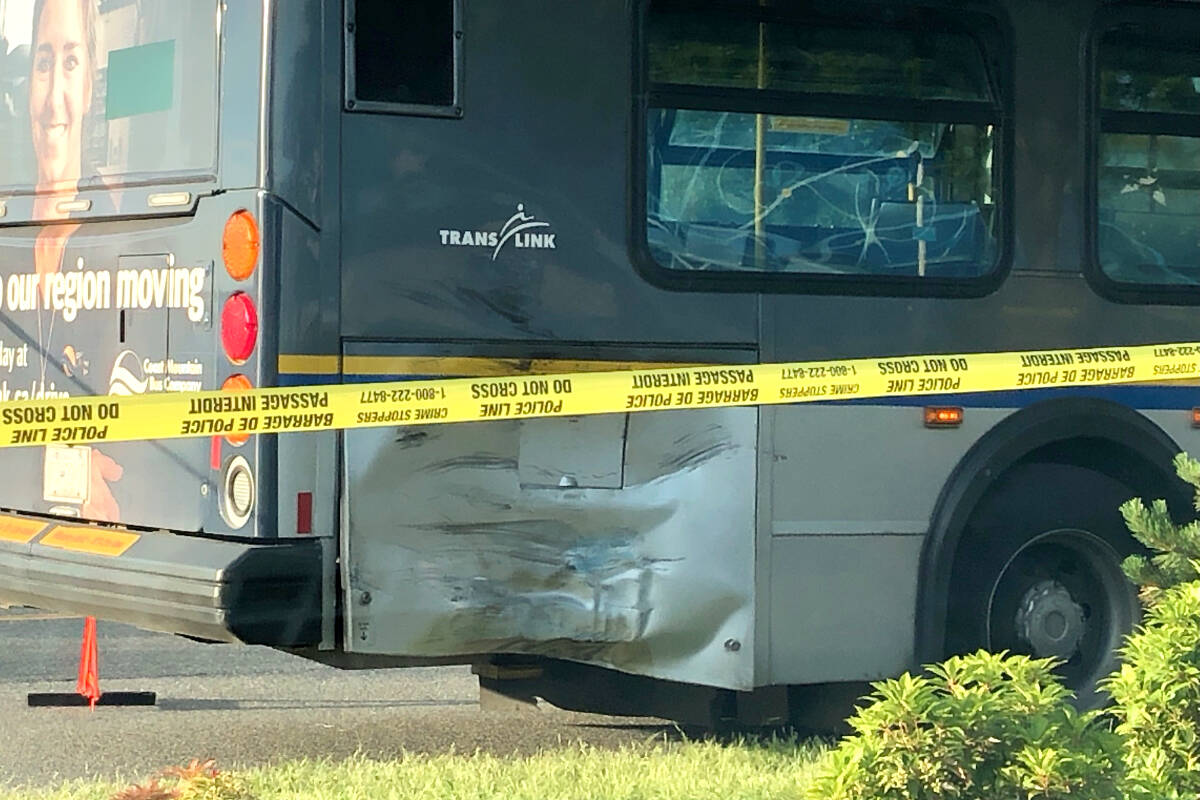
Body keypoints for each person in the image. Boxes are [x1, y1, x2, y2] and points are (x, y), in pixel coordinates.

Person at [23, 0, 121, 520]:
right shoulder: (8, 234)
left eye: (70, 61)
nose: (54, 98)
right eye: (43, 63)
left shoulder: (118, 232)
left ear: (88, 89)